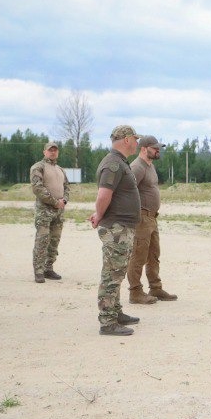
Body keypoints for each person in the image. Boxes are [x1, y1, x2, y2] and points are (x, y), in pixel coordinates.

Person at [91, 125, 143, 335]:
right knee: (112, 274)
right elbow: (104, 195)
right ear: (127, 139)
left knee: (118, 272)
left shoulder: (120, 162)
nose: (137, 143)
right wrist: (99, 215)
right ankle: (107, 321)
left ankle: (116, 312)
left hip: (123, 228)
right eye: (135, 139)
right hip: (116, 229)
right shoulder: (113, 164)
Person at [128, 135, 178, 303]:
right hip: (141, 218)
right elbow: (127, 191)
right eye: (155, 148)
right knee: (138, 256)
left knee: (153, 255)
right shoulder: (137, 167)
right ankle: (135, 292)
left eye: (159, 148)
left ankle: (155, 288)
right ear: (143, 149)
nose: (158, 150)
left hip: (152, 218)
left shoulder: (150, 166)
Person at [30, 141, 69, 283]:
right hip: (44, 210)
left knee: (54, 240)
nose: (53, 152)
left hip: (59, 211)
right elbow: (37, 188)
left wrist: (64, 201)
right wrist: (54, 201)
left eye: (55, 150)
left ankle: (48, 268)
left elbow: (67, 187)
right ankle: (38, 271)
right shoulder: (38, 167)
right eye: (50, 150)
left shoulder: (60, 169)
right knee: (42, 240)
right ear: (44, 152)